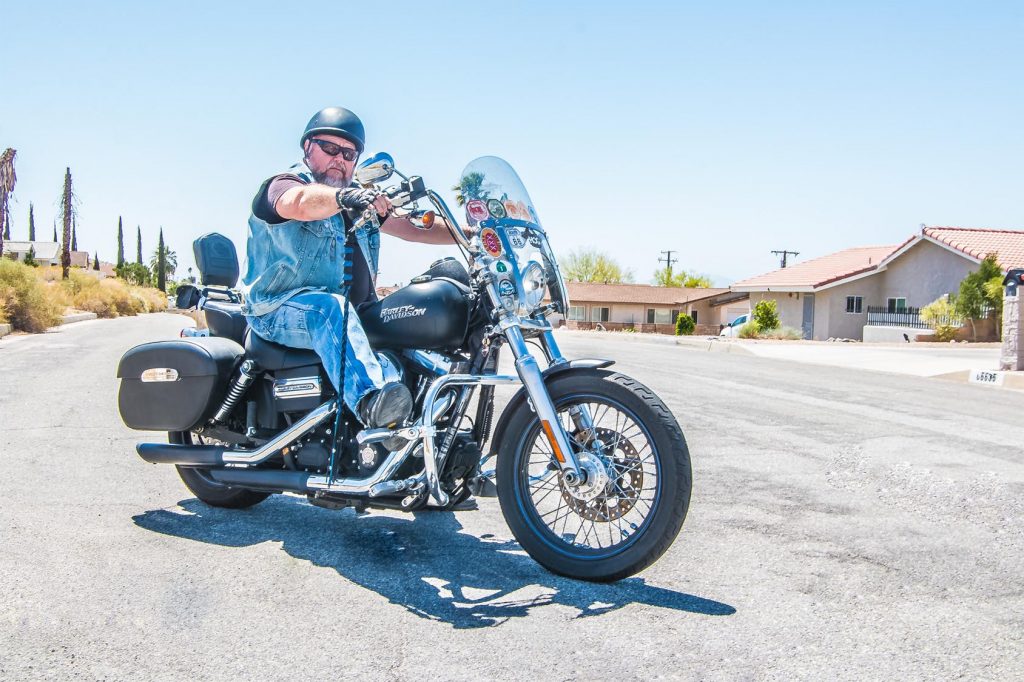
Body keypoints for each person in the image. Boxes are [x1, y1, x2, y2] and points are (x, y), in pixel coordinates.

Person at [242, 106, 458, 429]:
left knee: (415, 309)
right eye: (330, 148)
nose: (339, 159)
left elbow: (413, 227)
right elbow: (299, 202)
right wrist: (344, 197)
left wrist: (476, 234)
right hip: (275, 309)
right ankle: (373, 405)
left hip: (351, 313)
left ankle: (427, 421)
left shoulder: (357, 201)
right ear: (307, 147)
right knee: (327, 309)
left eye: (348, 154)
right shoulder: (283, 185)